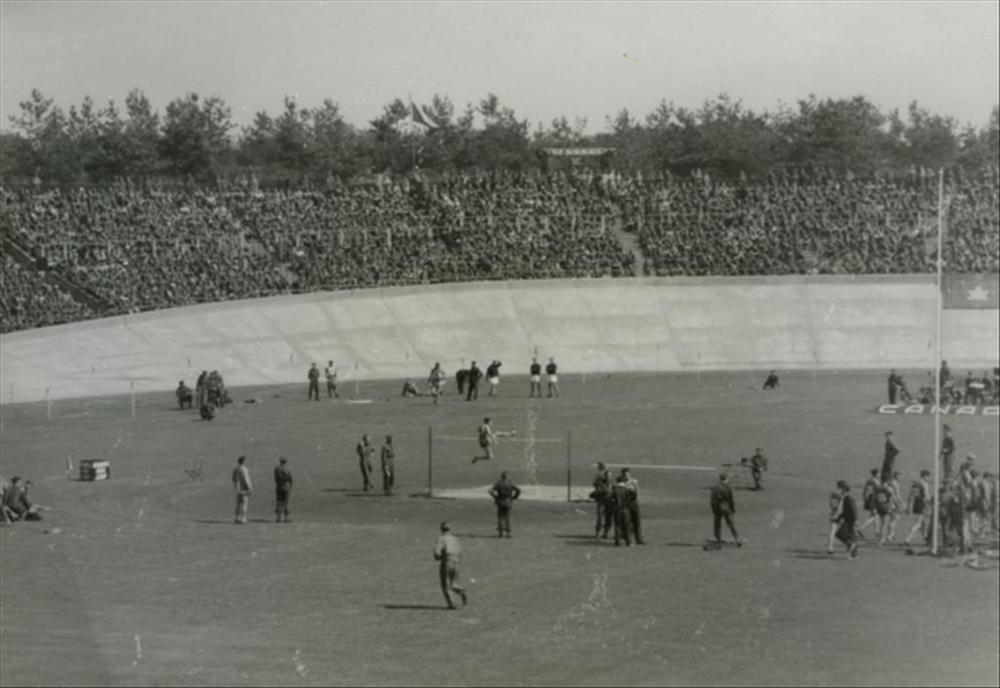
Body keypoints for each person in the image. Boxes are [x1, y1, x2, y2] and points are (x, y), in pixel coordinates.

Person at [433, 522, 467, 610]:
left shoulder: (441, 539)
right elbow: (460, 551)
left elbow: (436, 554)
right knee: (453, 584)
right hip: (457, 562)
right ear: (450, 529)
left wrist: (441, 557)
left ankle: (452, 604)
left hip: (447, 562)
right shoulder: (455, 539)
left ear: (441, 529)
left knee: (445, 585)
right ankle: (461, 591)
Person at [709, 473, 741, 547]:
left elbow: (712, 500)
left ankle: (718, 540)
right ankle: (737, 539)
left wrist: (713, 509)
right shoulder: (728, 488)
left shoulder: (715, 488)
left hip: (718, 508)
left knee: (717, 525)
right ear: (726, 479)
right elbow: (731, 500)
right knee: (731, 524)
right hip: (727, 508)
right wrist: (732, 509)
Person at [488, 471, 521, 538]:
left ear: (501, 476)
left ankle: (500, 533)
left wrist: (495, 497)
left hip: (500, 501)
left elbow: (490, 491)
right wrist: (514, 497)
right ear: (507, 476)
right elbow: (518, 490)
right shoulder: (510, 483)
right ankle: (507, 533)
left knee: (500, 517)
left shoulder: (498, 483)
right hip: (508, 501)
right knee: (507, 517)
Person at [904, 470, 932, 547]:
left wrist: (908, 506)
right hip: (923, 504)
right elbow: (926, 496)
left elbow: (910, 495)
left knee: (924, 522)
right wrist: (930, 503)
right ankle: (908, 538)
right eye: (928, 476)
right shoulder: (925, 484)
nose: (928, 478)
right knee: (918, 523)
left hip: (916, 504)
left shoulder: (915, 484)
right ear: (925, 476)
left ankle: (925, 538)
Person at [833, 479, 860, 558]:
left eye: (839, 489)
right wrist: (837, 519)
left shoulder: (849, 499)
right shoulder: (845, 498)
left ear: (844, 490)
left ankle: (851, 550)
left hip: (851, 521)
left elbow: (854, 510)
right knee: (849, 537)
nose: (838, 490)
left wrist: (856, 520)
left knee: (845, 536)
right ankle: (853, 551)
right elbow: (844, 512)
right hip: (847, 521)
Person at [879, 472, 905, 546]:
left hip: (883, 505)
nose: (901, 478)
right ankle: (890, 535)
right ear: (896, 476)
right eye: (900, 476)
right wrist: (901, 504)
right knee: (894, 520)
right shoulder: (895, 484)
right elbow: (896, 496)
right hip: (892, 504)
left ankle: (886, 537)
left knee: (885, 522)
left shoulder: (883, 485)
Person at [621, 467, 645, 544]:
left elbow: (637, 492)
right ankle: (628, 539)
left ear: (630, 474)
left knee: (637, 521)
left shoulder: (634, 482)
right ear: (622, 475)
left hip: (634, 503)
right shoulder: (621, 484)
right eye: (625, 475)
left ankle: (639, 539)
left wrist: (637, 500)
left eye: (628, 474)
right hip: (626, 504)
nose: (626, 476)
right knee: (627, 522)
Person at [609, 474, 633, 546]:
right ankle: (628, 542)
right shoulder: (626, 490)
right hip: (625, 510)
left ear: (617, 481)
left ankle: (617, 542)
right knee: (626, 526)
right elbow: (632, 496)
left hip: (617, 510)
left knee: (617, 525)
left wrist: (613, 503)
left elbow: (608, 498)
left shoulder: (615, 490)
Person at [590, 462, 613, 538]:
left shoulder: (609, 479)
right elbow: (595, 484)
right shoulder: (599, 478)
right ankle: (598, 532)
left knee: (608, 517)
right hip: (602, 500)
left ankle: (605, 533)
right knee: (600, 517)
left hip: (608, 500)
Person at [232, 456, 252, 525]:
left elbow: (233, 478)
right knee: (244, 504)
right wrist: (249, 488)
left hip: (238, 490)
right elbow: (246, 479)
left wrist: (236, 486)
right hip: (244, 489)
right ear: (243, 461)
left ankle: (237, 518)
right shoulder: (244, 469)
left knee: (238, 504)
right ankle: (243, 519)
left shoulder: (235, 469)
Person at [274, 457, 293, 523]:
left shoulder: (276, 468)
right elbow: (290, 479)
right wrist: (290, 485)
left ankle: (278, 518)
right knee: (286, 502)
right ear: (285, 462)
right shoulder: (288, 469)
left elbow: (275, 479)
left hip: (279, 486)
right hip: (286, 486)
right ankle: (286, 518)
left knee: (279, 501)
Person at [827, 489, 844, 555]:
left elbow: (830, 504)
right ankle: (849, 546)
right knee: (845, 531)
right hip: (839, 515)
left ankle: (830, 548)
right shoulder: (841, 496)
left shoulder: (833, 494)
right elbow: (840, 507)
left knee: (832, 532)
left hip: (833, 513)